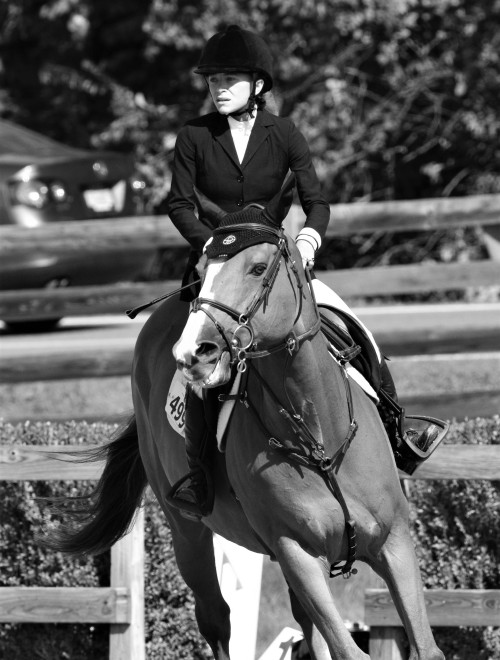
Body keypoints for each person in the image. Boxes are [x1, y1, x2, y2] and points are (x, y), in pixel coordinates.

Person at [165, 25, 447, 519]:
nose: (218, 88)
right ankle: (198, 472)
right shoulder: (193, 136)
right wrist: (211, 246)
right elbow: (179, 205)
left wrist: (309, 238)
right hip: (216, 271)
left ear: (258, 84)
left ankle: (398, 430)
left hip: (278, 265)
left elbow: (316, 202)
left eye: (229, 79)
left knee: (354, 327)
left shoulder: (285, 132)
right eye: (212, 81)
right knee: (196, 365)